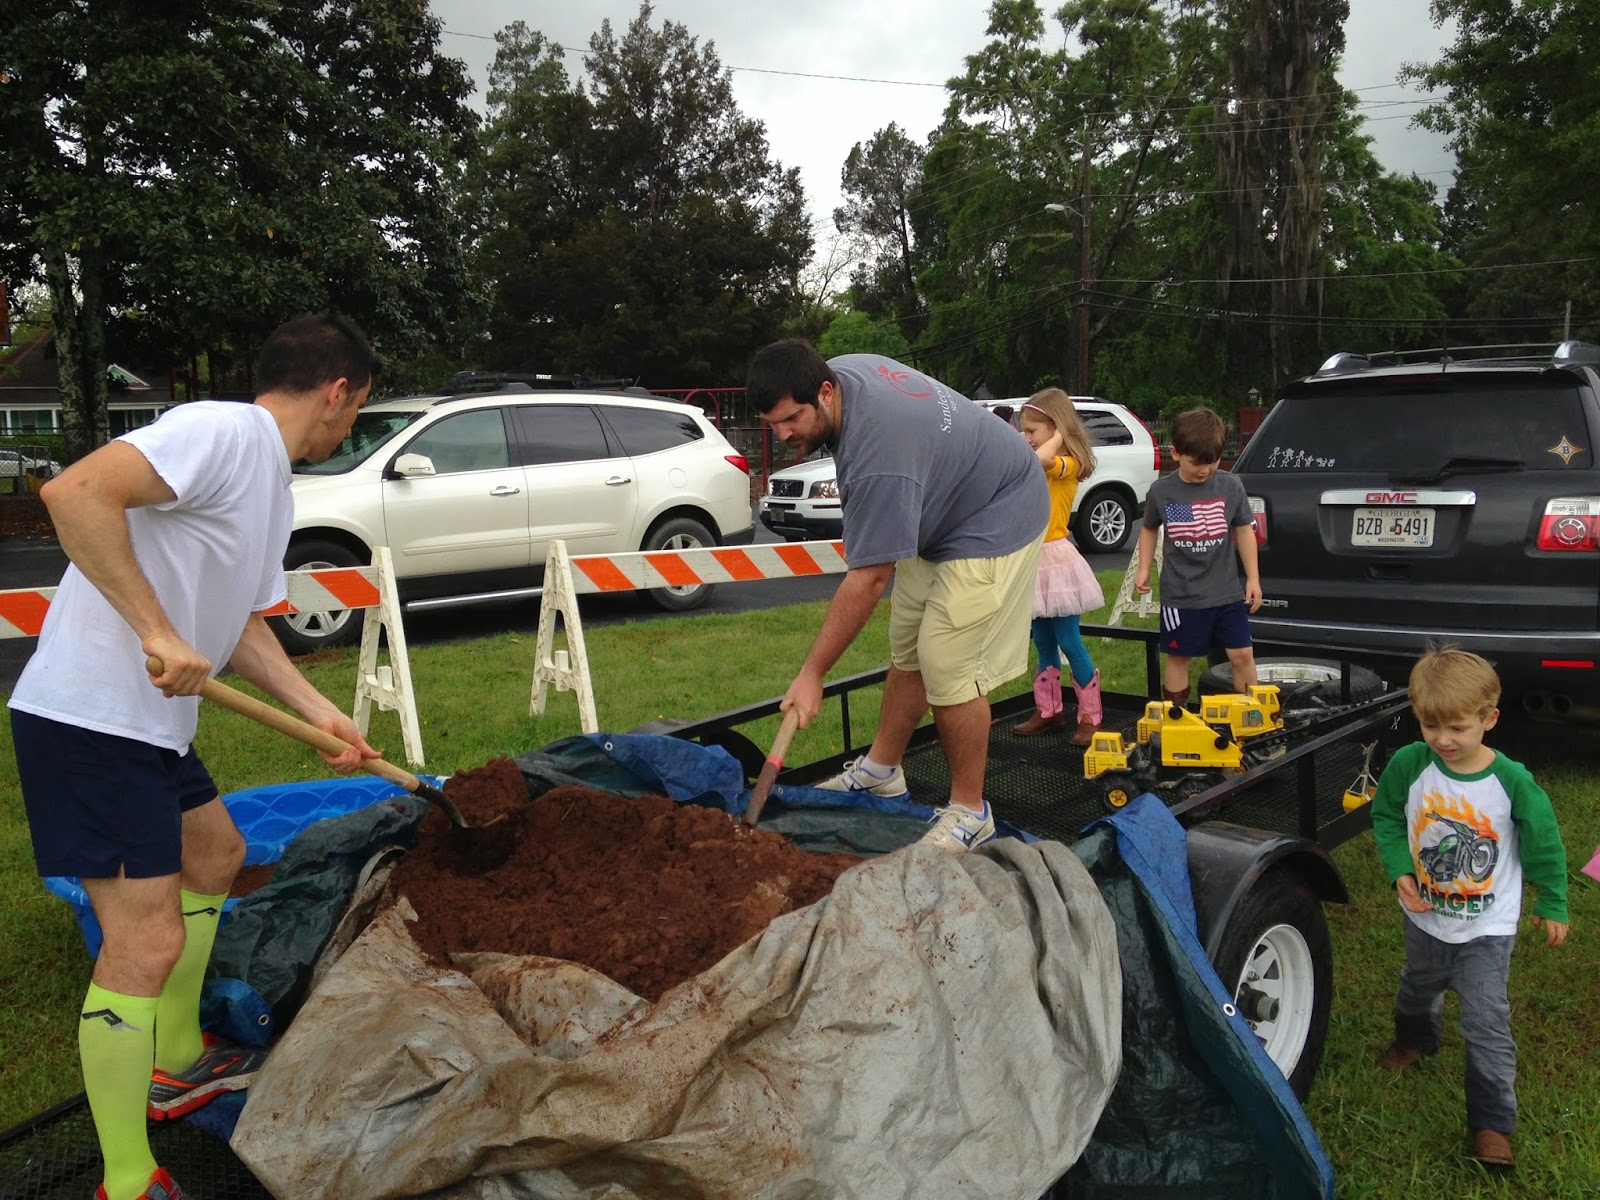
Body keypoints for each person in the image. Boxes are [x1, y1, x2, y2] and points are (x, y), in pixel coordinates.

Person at [9, 313, 384, 1200]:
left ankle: (175, 1059)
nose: (349, 427)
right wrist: (156, 630)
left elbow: (242, 626)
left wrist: (322, 713)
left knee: (216, 853)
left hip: (152, 725)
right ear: (338, 392)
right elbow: (74, 494)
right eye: (358, 409)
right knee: (144, 941)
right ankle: (126, 1178)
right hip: (93, 721)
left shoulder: (272, 486)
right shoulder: (223, 431)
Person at [746, 341, 1048, 851]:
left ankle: (972, 813)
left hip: (1000, 506)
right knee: (909, 643)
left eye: (792, 419)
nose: (784, 434)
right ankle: (881, 773)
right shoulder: (841, 376)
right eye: (773, 424)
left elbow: (868, 579)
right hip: (944, 506)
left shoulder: (877, 456)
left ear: (825, 393)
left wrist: (812, 674)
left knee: (947, 659)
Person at [1369, 648, 1568, 1169]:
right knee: (1418, 987)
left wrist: (1553, 899)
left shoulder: (1512, 781)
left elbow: (1544, 841)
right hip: (1425, 917)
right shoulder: (1409, 764)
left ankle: (1492, 1124)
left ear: (1489, 719)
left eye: (1457, 727)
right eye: (1430, 725)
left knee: (1485, 1020)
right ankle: (1415, 1040)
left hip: (1487, 928)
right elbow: (1387, 816)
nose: (1443, 739)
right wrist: (1400, 869)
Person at [1133, 407, 1260, 707]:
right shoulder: (1162, 491)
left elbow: (1244, 530)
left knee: (1242, 654)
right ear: (1176, 453)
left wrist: (1253, 578)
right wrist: (1144, 569)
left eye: (1212, 462)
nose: (1204, 470)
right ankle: (1177, 718)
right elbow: (1149, 529)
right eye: (1196, 463)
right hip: (1182, 596)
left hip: (1226, 593)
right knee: (1179, 657)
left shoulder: (1231, 485)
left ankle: (1249, 715)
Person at [1010, 388, 1106, 743]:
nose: (1027, 437)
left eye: (1032, 430)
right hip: (1034, 560)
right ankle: (1049, 710)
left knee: (1069, 640)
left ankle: (1090, 715)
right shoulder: (1040, 458)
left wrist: (1063, 433)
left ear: (1056, 429)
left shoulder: (1068, 464)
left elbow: (1042, 460)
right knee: (1043, 640)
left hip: (1057, 561)